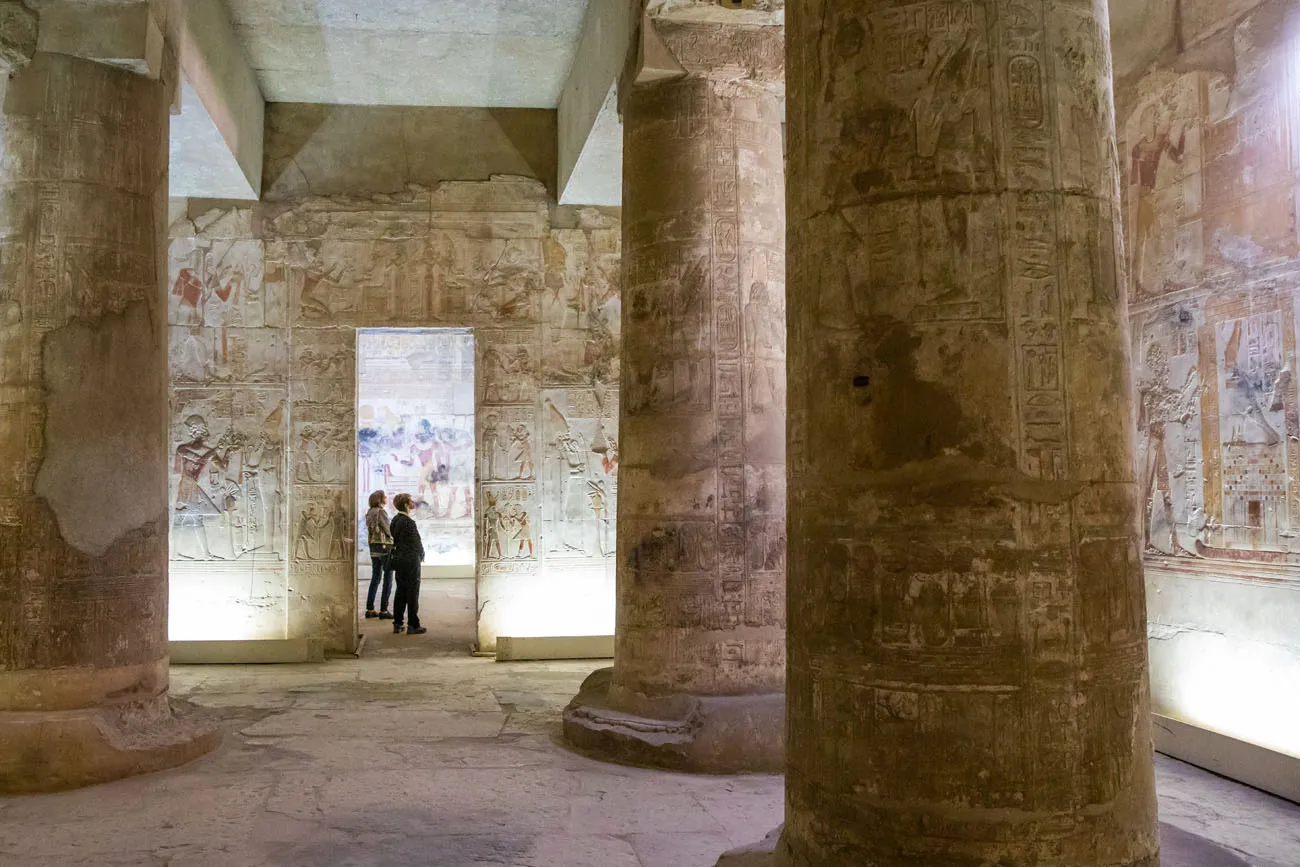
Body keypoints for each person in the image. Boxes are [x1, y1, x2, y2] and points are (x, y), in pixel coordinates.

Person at [389, 493, 427, 635]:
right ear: (406, 504)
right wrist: (421, 554)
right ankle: (413, 624)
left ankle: (397, 623)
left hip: (399, 559)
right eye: (410, 501)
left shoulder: (394, 520)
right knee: (412, 593)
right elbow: (416, 542)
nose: (413, 503)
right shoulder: (409, 522)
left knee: (400, 592)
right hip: (411, 560)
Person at [364, 490, 395, 620]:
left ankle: (370, 609)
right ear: (379, 499)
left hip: (373, 546)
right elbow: (388, 529)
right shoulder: (381, 512)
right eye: (384, 497)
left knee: (375, 577)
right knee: (388, 578)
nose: (387, 498)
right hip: (384, 546)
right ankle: (384, 610)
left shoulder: (369, 512)